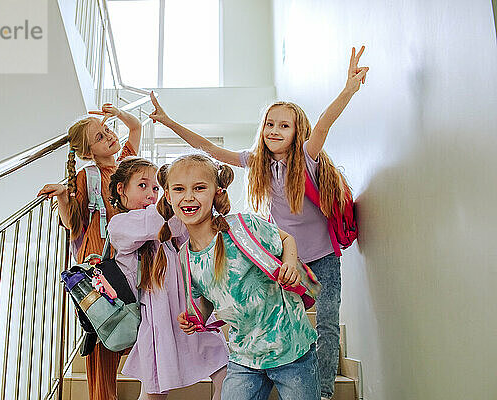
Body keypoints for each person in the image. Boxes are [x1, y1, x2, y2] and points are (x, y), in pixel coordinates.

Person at [149, 47, 369, 400]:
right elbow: (210, 150)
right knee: (280, 319)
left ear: (298, 132)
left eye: (284, 125)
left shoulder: (308, 160)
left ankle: (324, 391)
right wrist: (170, 122)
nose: (275, 130)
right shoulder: (257, 164)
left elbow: (325, 124)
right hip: (283, 261)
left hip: (321, 258)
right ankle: (273, 370)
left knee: (327, 325)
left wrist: (347, 89)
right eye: (270, 124)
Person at [154, 153, 320, 400]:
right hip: (244, 357)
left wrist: (289, 266)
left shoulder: (243, 226)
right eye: (179, 189)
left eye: (199, 188)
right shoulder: (184, 257)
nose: (188, 197)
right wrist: (196, 317)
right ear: (168, 196)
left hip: (292, 348)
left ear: (217, 191)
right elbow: (210, 298)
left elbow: (286, 238)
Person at [37, 103, 141, 400]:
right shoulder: (88, 176)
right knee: (104, 332)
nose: (109, 136)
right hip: (99, 260)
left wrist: (118, 114)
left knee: (134, 322)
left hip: (127, 258)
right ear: (88, 152)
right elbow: (75, 222)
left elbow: (135, 127)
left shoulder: (126, 164)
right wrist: (61, 197)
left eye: (107, 130)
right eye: (99, 137)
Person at [106, 156, 228, 400]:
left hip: (190, 309)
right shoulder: (120, 225)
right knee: (155, 392)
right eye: (143, 186)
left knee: (224, 369)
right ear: (121, 189)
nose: (152, 194)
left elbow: (187, 229)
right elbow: (158, 222)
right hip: (158, 317)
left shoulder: (167, 225)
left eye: (156, 188)